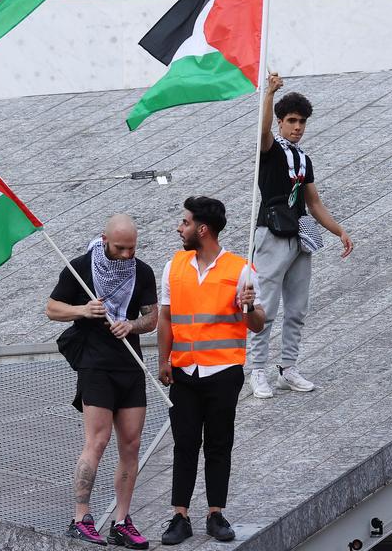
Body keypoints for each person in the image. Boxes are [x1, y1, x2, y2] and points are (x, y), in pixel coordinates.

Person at [157, 196, 265, 545]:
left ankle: (215, 514)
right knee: (184, 444)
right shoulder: (173, 266)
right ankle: (179, 516)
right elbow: (165, 318)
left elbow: (258, 324)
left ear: (202, 229)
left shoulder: (241, 270)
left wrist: (248, 307)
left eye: (185, 222)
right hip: (184, 371)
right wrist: (163, 360)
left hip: (223, 371)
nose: (179, 227)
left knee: (219, 443)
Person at [46, 214, 158, 548]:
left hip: (129, 363)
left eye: (132, 248)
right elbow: (52, 309)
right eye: (120, 248)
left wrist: (132, 326)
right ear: (104, 239)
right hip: (95, 365)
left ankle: (122, 520)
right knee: (98, 440)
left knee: (132, 444)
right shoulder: (80, 267)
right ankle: (81, 517)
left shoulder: (143, 271)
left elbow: (152, 316)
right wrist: (83, 311)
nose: (126, 254)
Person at [247, 72, 353, 399]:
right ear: (281, 121)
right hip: (271, 232)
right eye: (292, 120)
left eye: (302, 122)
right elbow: (262, 131)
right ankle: (257, 371)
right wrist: (268, 94)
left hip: (300, 234)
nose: (297, 127)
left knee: (298, 308)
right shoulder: (271, 149)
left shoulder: (303, 159)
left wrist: (338, 230)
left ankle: (288, 367)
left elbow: (314, 202)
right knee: (265, 305)